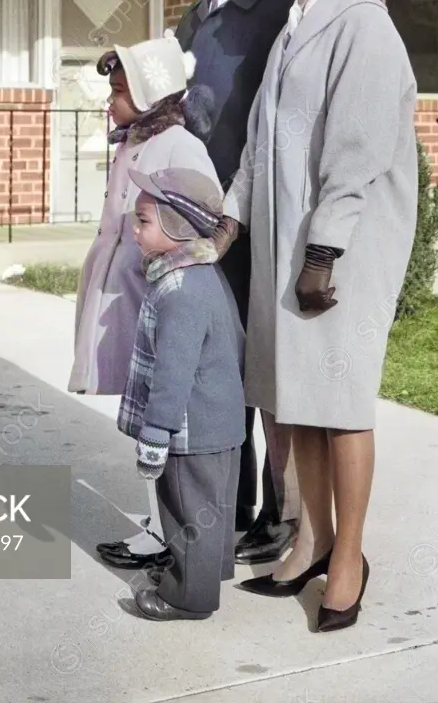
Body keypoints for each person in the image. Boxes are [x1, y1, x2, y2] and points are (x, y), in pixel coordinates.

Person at [222, 0, 417, 632]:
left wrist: (322, 255)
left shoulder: (364, 29)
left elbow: (355, 156)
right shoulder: (299, 22)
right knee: (297, 399)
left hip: (340, 252)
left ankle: (348, 560)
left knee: (338, 406)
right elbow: (261, 137)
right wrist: (231, 220)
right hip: (289, 240)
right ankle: (310, 540)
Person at [175, 0, 301, 565]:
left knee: (245, 375)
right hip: (199, 217)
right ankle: (230, 515)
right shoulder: (205, 9)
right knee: (214, 374)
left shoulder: (281, 8)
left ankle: (268, 518)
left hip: (248, 225)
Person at [68, 33, 220, 570]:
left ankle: (166, 531)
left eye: (118, 91)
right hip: (124, 295)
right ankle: (155, 523)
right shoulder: (132, 142)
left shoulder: (181, 147)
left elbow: (202, 221)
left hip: (155, 296)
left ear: (152, 93)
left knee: (162, 414)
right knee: (143, 412)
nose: (109, 101)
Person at [117, 166, 246, 621]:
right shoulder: (204, 276)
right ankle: (206, 575)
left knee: (186, 515)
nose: (134, 231)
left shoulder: (179, 290)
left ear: (176, 225)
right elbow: (236, 340)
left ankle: (187, 597)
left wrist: (155, 434)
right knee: (211, 511)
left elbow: (172, 373)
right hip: (219, 423)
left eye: (143, 221)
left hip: (190, 430)